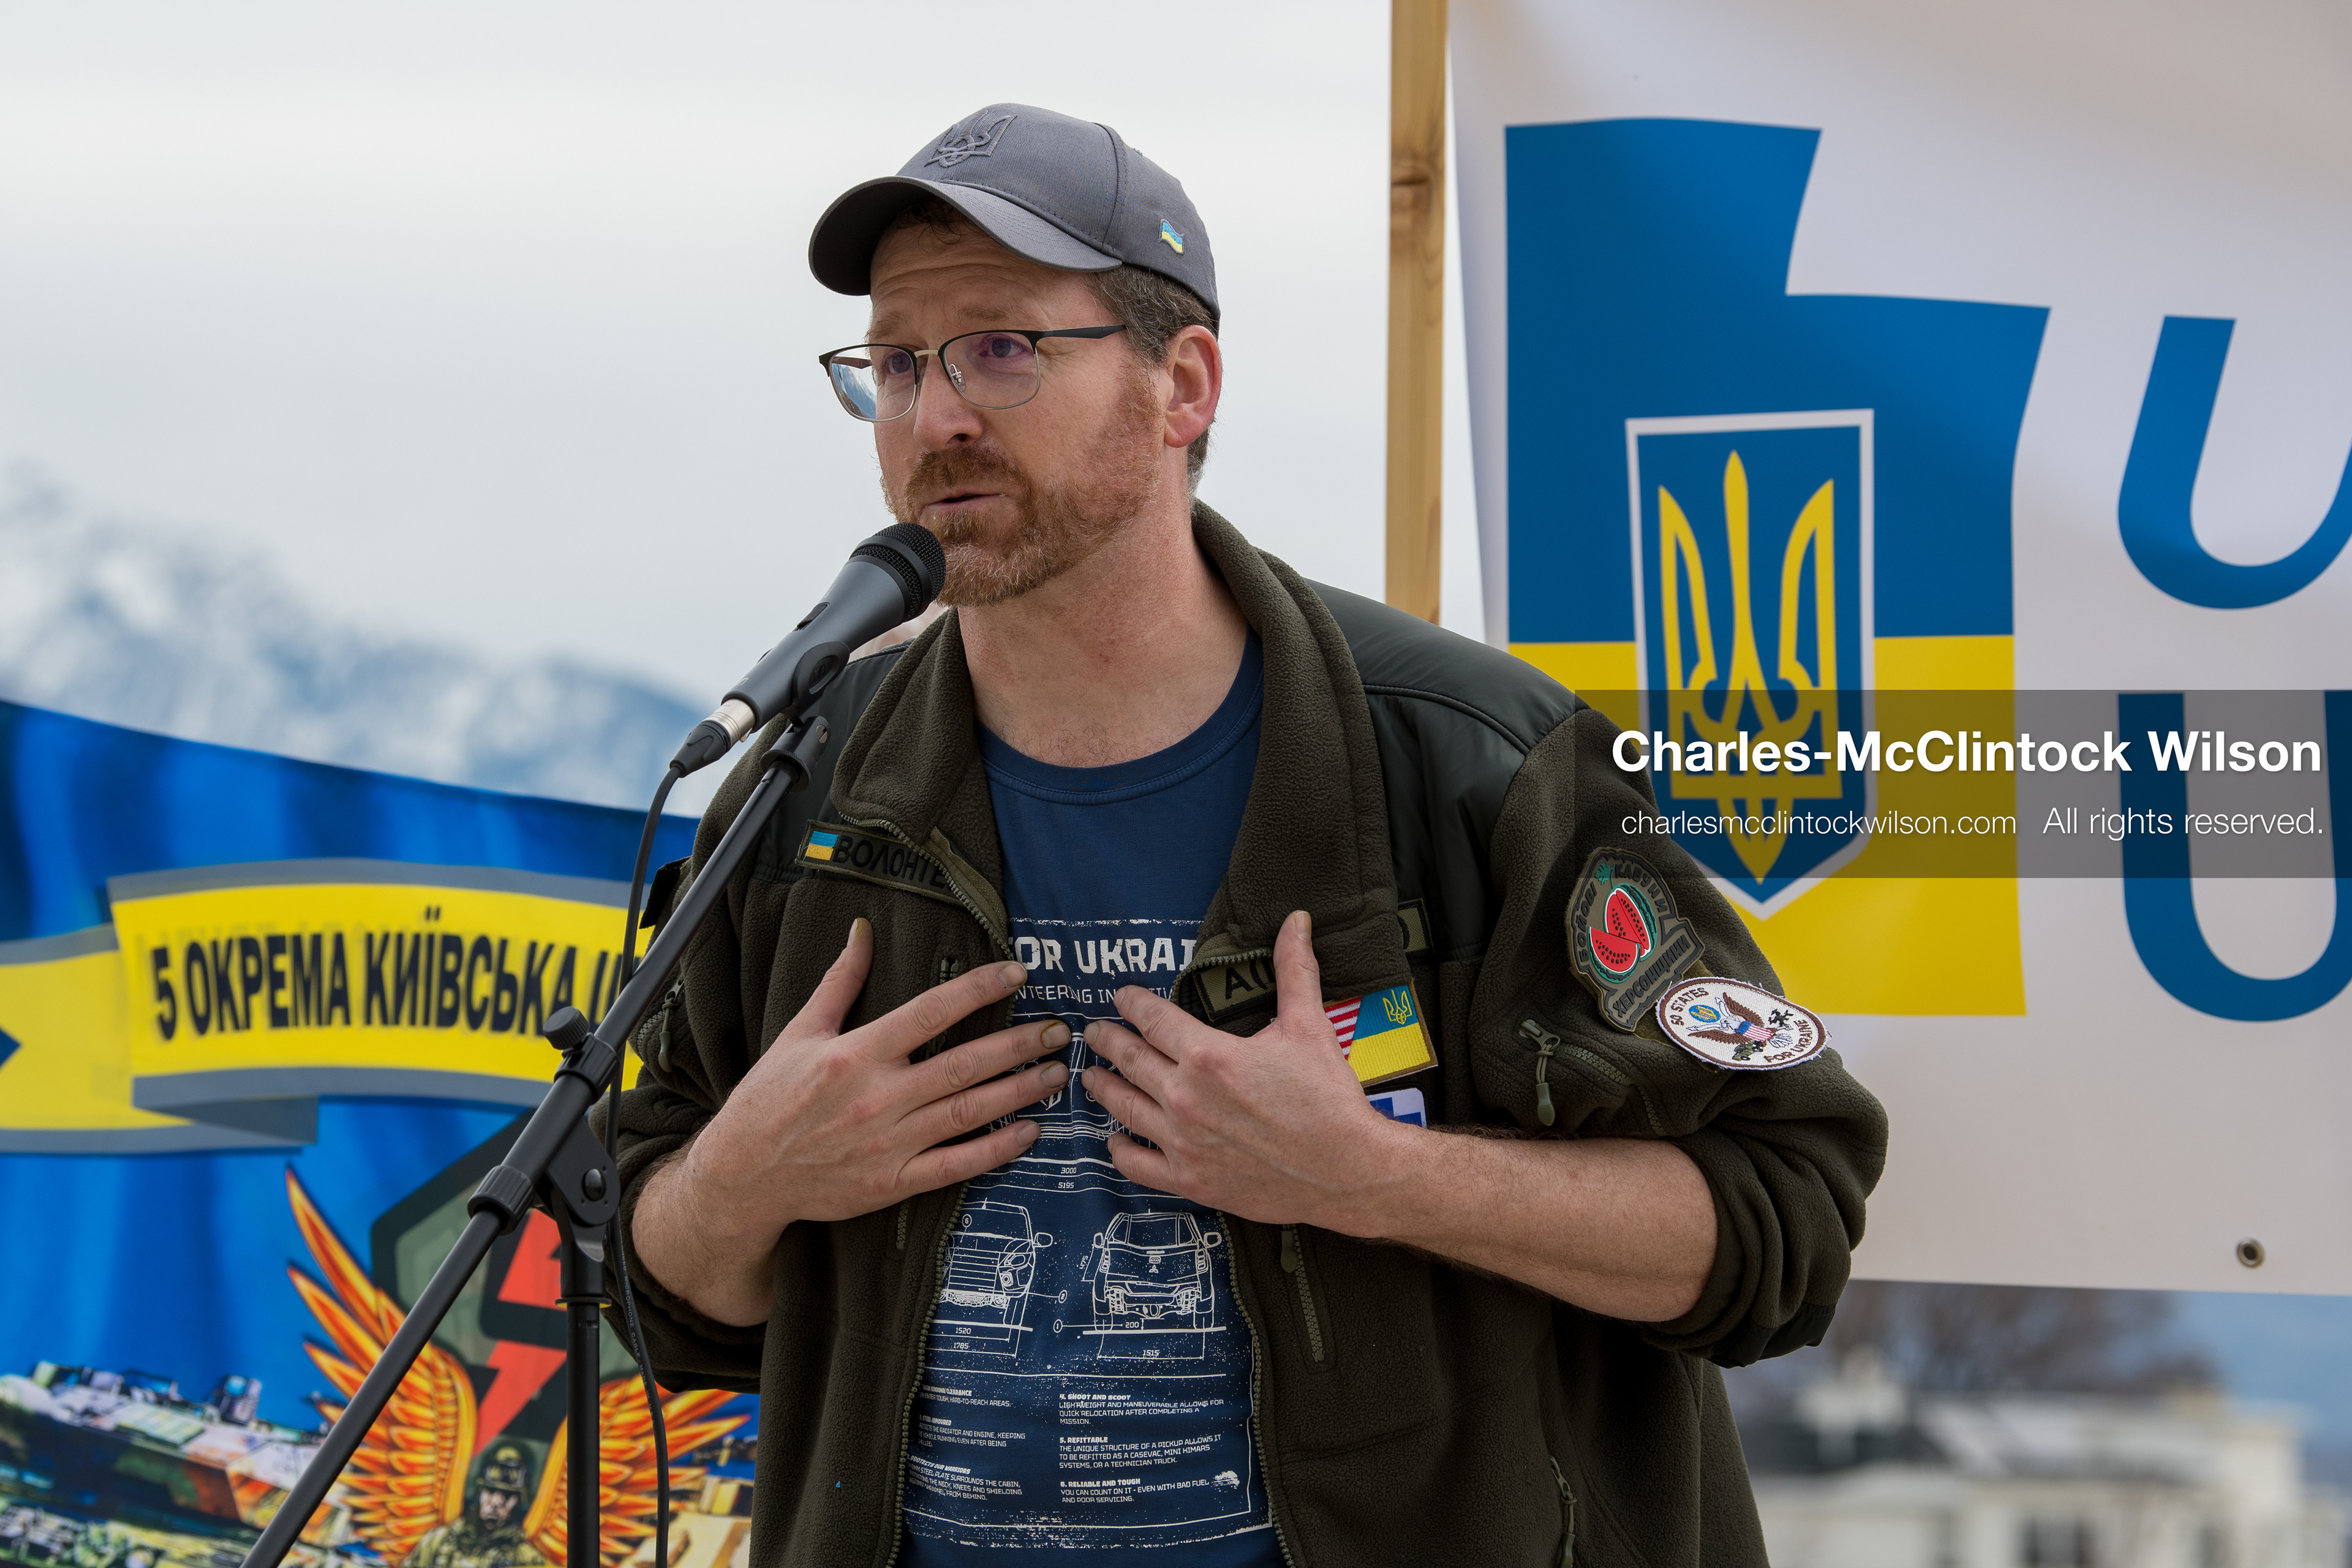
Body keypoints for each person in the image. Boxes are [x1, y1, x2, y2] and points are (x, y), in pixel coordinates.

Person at [609, 102, 1888, 1567]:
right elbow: (658, 1287)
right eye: (895, 364)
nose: (935, 417)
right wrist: (749, 1179)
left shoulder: (1470, 760)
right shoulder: (810, 788)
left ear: (1184, 384)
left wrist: (1377, 1175)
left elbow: (1784, 1213)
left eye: (1001, 348)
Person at [404, 1444, 545, 1568]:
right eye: (490, 1491)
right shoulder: (439, 1540)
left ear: (518, 1501)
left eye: (507, 1495)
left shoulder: (526, 1558)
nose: (496, 1502)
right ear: (479, 1492)